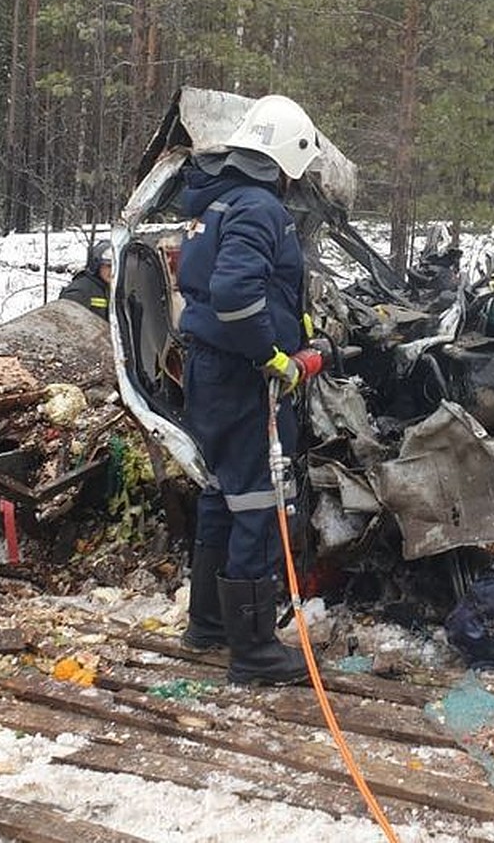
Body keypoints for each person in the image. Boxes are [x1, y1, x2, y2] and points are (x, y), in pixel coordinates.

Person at [176, 94, 322, 685]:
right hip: (242, 378)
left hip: (208, 372)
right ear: (287, 156)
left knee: (222, 495)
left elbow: (227, 289)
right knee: (260, 501)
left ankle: (209, 624)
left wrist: (299, 329)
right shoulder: (261, 207)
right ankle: (255, 651)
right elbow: (237, 296)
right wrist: (275, 358)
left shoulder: (218, 201)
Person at [59, 239, 112, 319]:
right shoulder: (79, 291)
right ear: (96, 265)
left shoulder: (118, 290)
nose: (113, 271)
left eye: (118, 266)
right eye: (109, 266)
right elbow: (64, 323)